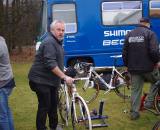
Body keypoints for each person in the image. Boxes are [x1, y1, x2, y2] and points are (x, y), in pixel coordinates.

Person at [28, 20, 74, 130]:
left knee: (53, 105)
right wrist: (64, 77)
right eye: (58, 30)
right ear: (52, 30)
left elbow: (57, 62)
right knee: (45, 105)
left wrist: (65, 71)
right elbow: (50, 63)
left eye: (63, 30)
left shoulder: (57, 43)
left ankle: (54, 126)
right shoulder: (49, 42)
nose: (61, 32)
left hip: (51, 81)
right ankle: (41, 128)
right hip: (40, 80)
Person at [122, 17, 160, 120]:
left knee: (135, 91)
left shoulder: (129, 34)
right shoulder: (150, 34)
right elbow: (154, 51)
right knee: (157, 81)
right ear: (147, 24)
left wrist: (127, 65)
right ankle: (149, 102)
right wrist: (157, 61)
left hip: (133, 68)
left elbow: (124, 52)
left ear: (139, 23)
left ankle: (134, 114)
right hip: (149, 68)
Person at [0, 36, 15, 130]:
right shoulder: (1, 39)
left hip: (3, 82)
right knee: (5, 110)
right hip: (7, 80)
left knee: (1, 115)